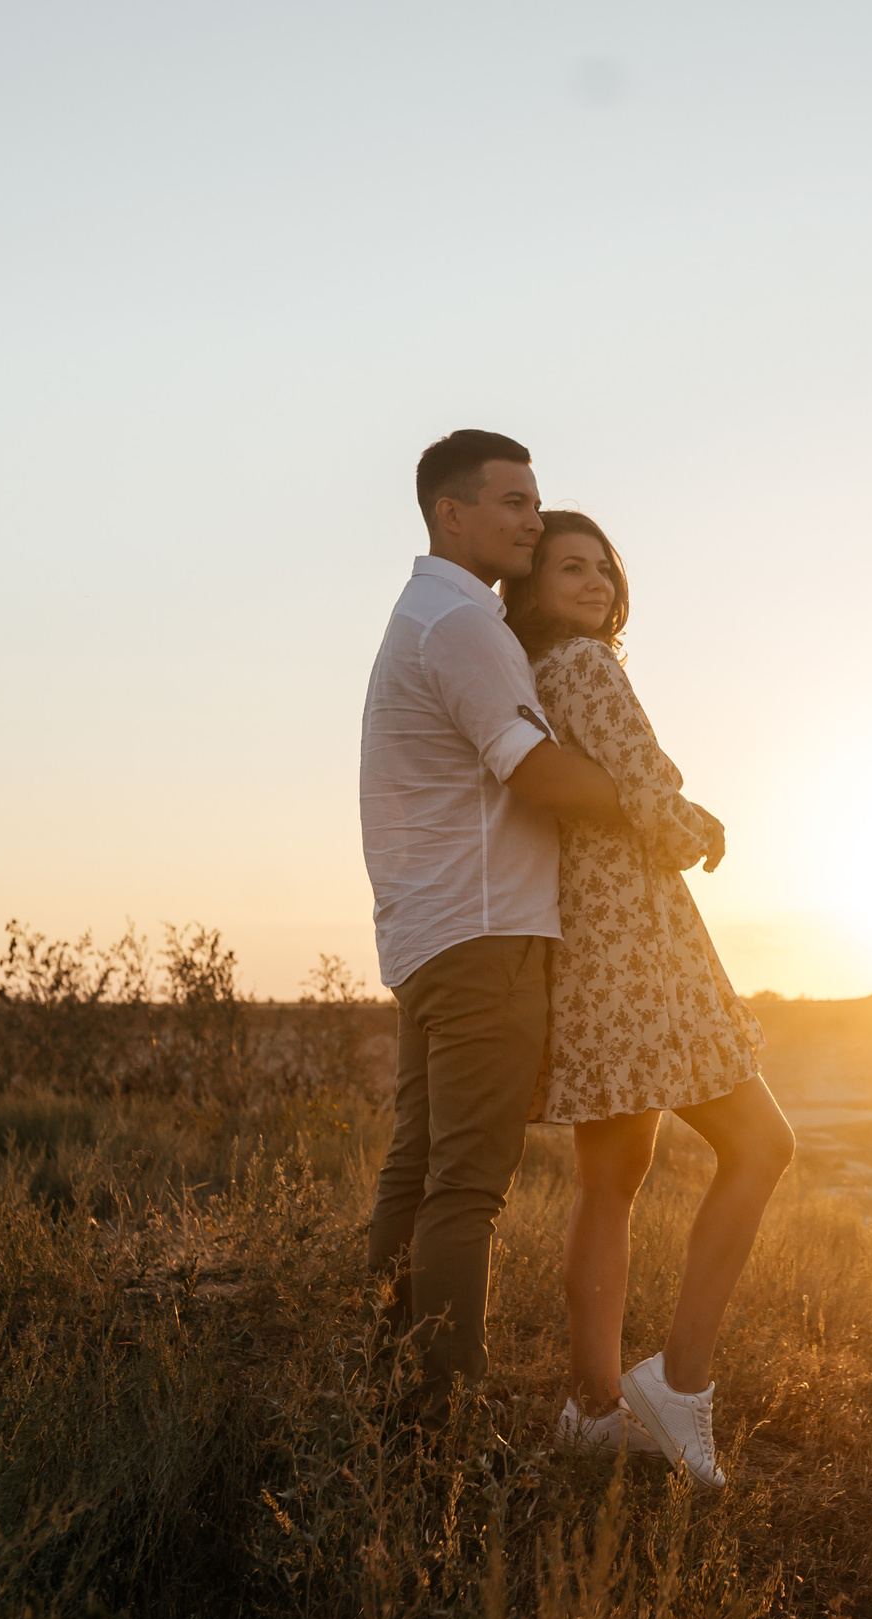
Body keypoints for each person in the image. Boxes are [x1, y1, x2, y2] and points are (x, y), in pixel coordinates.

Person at [501, 510, 796, 1488]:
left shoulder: (537, 677)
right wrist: (692, 821)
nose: (592, 582)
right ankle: (682, 1381)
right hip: (640, 945)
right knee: (761, 1146)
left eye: (603, 567)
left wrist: (666, 811)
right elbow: (645, 794)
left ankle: (591, 1408)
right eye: (568, 568)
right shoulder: (584, 667)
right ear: (531, 589)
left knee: (611, 1181)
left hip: (588, 950)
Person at [359, 431, 630, 1412]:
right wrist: (655, 800)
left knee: (420, 1168)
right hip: (484, 936)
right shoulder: (463, 628)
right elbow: (541, 773)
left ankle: (393, 1374)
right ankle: (445, 1419)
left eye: (533, 501)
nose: (530, 519)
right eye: (512, 503)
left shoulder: (427, 614)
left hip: (437, 930)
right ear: (452, 513)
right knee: (464, 1188)